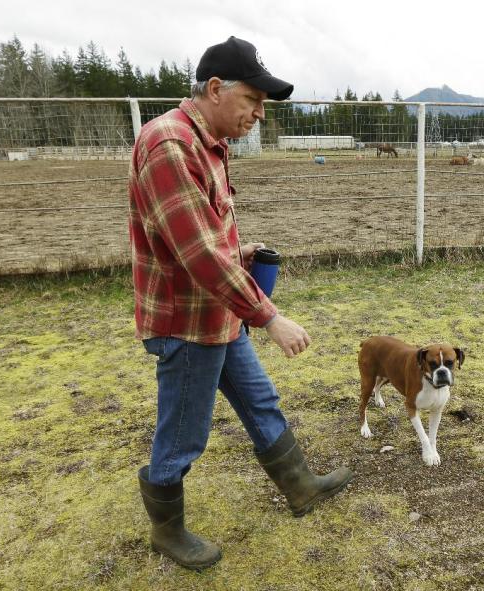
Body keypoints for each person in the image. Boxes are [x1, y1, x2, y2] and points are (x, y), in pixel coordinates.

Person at [127, 36, 353, 570]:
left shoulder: (208, 142)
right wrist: (270, 316)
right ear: (213, 89)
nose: (259, 113)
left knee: (260, 401)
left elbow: (208, 236)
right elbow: (199, 255)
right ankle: (167, 530)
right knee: (183, 434)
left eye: (263, 105)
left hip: (219, 315)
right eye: (252, 100)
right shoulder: (169, 145)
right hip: (186, 322)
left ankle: (300, 487)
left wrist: (240, 249)